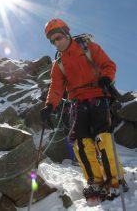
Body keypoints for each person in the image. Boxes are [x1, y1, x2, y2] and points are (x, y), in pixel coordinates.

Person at [40, 18, 127, 201]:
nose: (57, 42)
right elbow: (56, 88)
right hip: (77, 103)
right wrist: (50, 105)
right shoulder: (58, 64)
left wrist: (106, 78)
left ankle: (114, 181)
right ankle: (94, 181)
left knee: (102, 139)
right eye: (53, 40)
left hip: (98, 96)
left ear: (67, 33)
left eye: (59, 37)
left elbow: (108, 65)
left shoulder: (88, 47)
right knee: (80, 143)